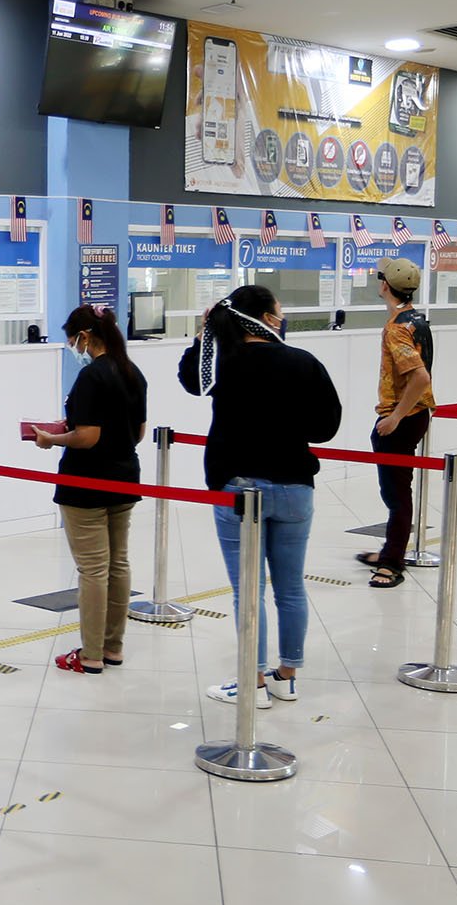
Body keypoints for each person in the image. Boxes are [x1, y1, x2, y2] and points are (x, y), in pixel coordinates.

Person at [180, 286, 342, 708]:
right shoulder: (304, 362)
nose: (281, 318)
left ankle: (251, 681)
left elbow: (190, 382)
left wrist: (204, 335)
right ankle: (286, 677)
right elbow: (326, 428)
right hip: (294, 488)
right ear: (265, 317)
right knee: (291, 588)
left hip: (238, 491)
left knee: (248, 591)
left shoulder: (225, 363)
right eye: (278, 311)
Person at [35, 305, 147, 674]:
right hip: (125, 475)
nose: (72, 345)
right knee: (118, 563)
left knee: (93, 570)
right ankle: (113, 648)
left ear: (85, 335)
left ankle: (91, 654)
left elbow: (86, 436)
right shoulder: (133, 373)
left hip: (86, 482)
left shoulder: (91, 378)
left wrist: (52, 438)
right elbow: (140, 432)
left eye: (72, 338)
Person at [360, 257, 435, 588]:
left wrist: (395, 417)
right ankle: (392, 547)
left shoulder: (397, 329)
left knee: (396, 494)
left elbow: (419, 376)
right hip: (416, 414)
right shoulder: (416, 319)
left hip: (404, 417)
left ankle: (392, 562)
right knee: (394, 491)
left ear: (385, 286)